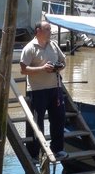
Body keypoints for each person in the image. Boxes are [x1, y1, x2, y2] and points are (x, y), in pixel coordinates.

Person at [20, 21, 68, 162]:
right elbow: (23, 70)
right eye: (47, 29)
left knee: (59, 119)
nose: (50, 32)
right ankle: (35, 153)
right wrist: (42, 69)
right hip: (37, 90)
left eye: (50, 29)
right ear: (38, 31)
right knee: (37, 123)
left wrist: (58, 67)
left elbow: (63, 61)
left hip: (55, 89)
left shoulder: (53, 45)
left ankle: (57, 149)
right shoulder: (29, 48)